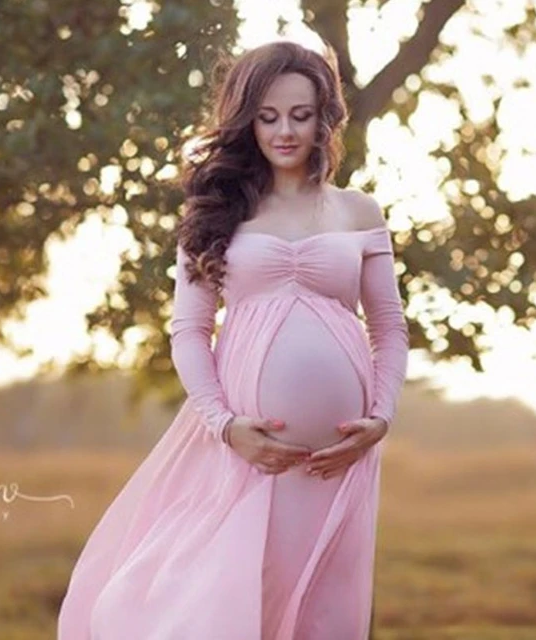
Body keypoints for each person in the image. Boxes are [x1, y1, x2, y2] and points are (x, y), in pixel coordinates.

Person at [57, 39, 409, 640]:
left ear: (326, 117)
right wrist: (224, 425)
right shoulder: (216, 211)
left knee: (322, 611)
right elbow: (189, 331)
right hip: (244, 449)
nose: (285, 131)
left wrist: (380, 417)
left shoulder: (358, 211)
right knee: (213, 602)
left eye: (301, 115)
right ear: (246, 120)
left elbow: (389, 327)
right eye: (268, 116)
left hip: (339, 461)